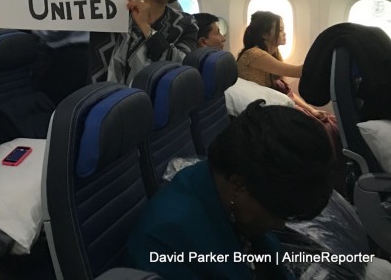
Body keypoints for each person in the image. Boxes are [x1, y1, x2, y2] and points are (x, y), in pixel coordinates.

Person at [128, 100, 335, 279]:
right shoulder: (164, 239)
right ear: (238, 185)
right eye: (276, 212)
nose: (279, 224)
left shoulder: (226, 189)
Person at [236, 11, 340, 147]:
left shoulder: (271, 54)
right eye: (280, 30)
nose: (285, 33)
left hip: (273, 104)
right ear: (265, 34)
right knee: (323, 130)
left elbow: (285, 91)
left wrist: (312, 110)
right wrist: (325, 55)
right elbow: (299, 72)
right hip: (261, 112)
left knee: (329, 121)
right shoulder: (255, 54)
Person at [106, 0, 198, 85]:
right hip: (102, 98)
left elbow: (182, 68)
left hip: (154, 103)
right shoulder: (113, 8)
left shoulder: (186, 23)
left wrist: (145, 27)